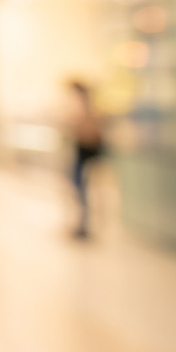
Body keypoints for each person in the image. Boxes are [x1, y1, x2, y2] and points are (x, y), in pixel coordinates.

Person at [67, 80, 106, 241]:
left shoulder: (90, 112)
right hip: (83, 152)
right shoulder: (85, 111)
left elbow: (90, 134)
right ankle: (82, 224)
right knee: (80, 190)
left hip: (87, 153)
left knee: (86, 191)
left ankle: (86, 225)